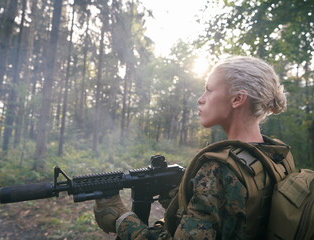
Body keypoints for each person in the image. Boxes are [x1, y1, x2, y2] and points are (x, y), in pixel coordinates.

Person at [93, 56, 293, 239]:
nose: (201, 98)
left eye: (209, 89)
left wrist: (122, 219)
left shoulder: (219, 169)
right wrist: (184, 199)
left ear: (237, 99)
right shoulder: (277, 155)